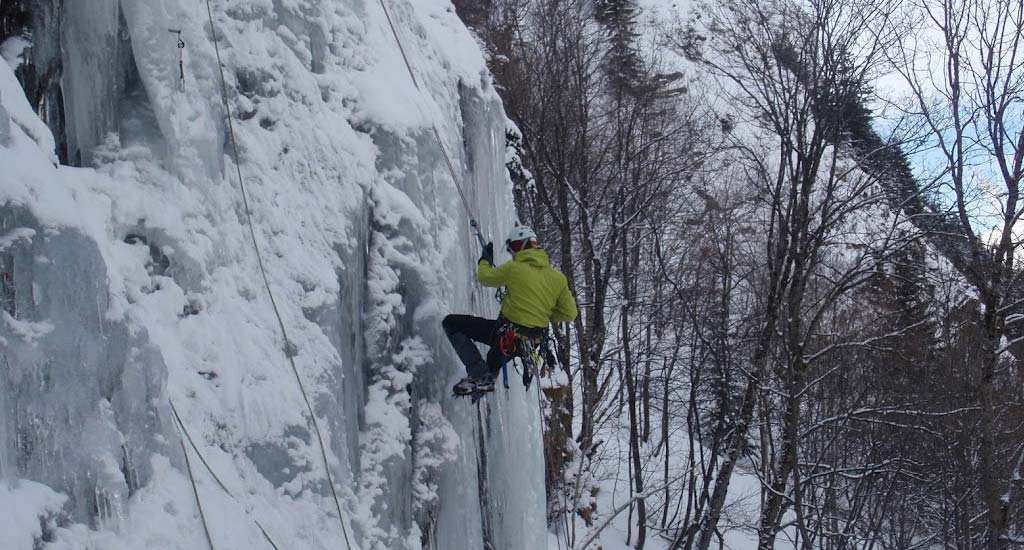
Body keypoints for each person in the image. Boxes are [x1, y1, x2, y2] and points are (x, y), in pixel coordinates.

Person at [444, 225, 578, 396]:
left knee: (452, 323)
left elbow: (485, 277)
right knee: (495, 357)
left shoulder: (515, 269)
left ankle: (481, 376)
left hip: (507, 335)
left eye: (512, 248)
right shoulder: (558, 278)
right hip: (531, 343)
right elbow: (569, 313)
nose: (512, 254)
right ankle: (485, 378)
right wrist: (542, 312)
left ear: (521, 246)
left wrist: (484, 260)